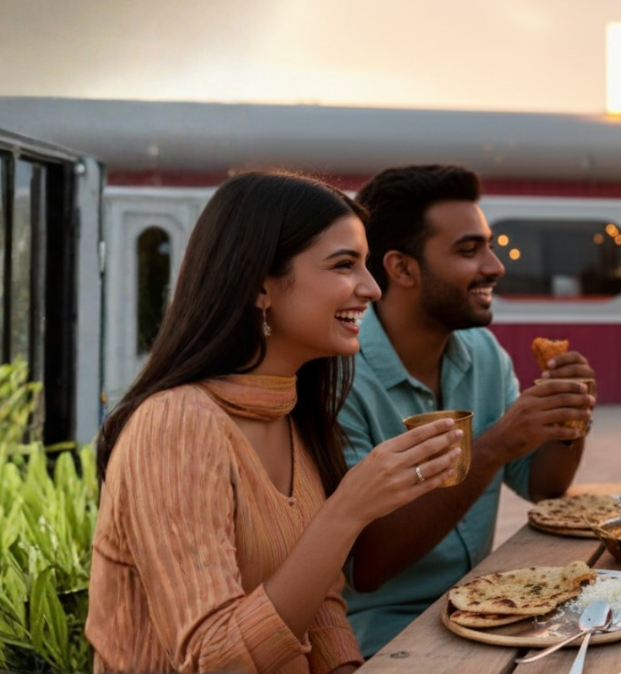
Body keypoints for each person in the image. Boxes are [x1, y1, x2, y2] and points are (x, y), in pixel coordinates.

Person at [89, 172, 462, 673]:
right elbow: (214, 660)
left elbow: (321, 609)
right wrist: (348, 510)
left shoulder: (292, 415)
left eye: (366, 265)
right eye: (344, 264)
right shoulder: (176, 425)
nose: (372, 288)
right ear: (262, 286)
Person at [337, 164, 595, 655]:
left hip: (488, 609)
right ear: (402, 268)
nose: (495, 266)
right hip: (383, 637)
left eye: (489, 245)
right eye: (468, 250)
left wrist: (567, 419)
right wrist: (496, 443)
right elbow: (366, 569)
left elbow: (542, 486)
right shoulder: (341, 379)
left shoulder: (484, 353)